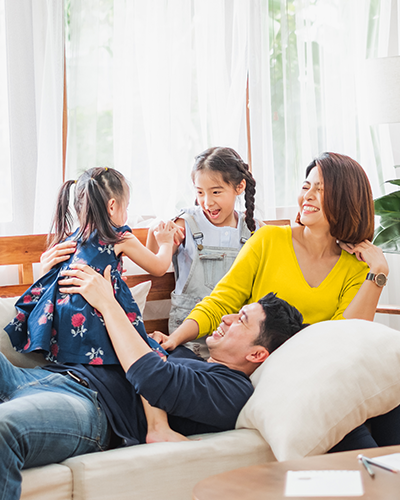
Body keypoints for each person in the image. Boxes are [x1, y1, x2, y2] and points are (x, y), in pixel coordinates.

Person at [0, 262, 308, 500]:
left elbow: (153, 378)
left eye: (241, 319)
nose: (226, 318)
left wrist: (108, 304)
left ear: (257, 354)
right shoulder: (187, 353)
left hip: (89, 408)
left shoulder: (231, 390)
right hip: (45, 377)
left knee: (4, 428)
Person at [155, 152, 389, 351]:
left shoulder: (357, 267)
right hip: (250, 366)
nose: (307, 195)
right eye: (306, 187)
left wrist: (378, 273)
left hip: (306, 373)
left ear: (347, 199)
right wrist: (175, 338)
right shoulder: (268, 238)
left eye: (320, 189)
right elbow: (221, 302)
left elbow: (345, 337)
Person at [5, 166, 181, 365]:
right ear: (112, 206)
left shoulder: (70, 240)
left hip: (65, 330)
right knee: (152, 356)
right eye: (127, 207)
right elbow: (157, 267)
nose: (126, 213)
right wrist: (166, 242)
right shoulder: (119, 236)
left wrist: (151, 235)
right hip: (97, 322)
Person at [146, 147, 262, 338]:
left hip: (234, 338)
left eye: (216, 192)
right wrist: (154, 232)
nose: (207, 202)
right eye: (200, 192)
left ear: (239, 187)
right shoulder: (185, 223)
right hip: (187, 339)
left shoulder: (254, 230)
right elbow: (155, 266)